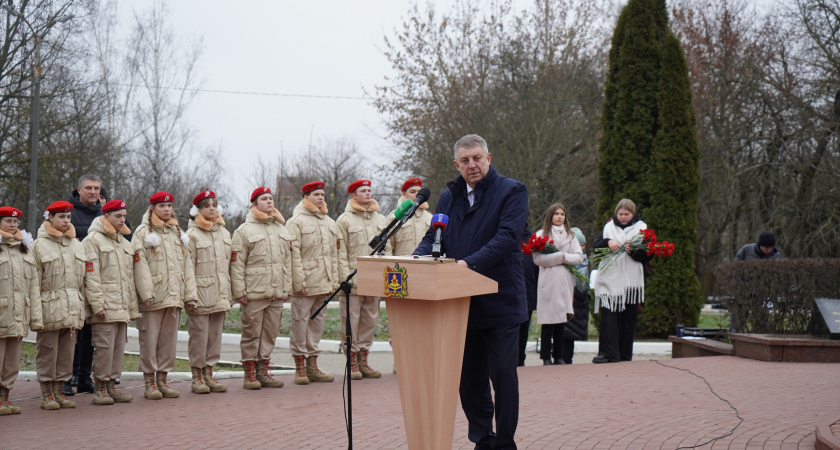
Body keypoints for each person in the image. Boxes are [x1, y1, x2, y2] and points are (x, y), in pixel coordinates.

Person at [414, 134, 529, 450]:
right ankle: (483, 438)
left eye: (477, 158)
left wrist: (467, 264)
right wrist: (414, 259)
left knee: (503, 376)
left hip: (501, 301)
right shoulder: (449, 197)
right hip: (461, 303)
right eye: (465, 161)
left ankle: (505, 443)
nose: (472, 165)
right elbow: (433, 238)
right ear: (456, 165)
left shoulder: (512, 191)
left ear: (489, 158)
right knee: (469, 379)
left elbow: (506, 238)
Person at [133, 191, 198, 399]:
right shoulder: (142, 232)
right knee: (149, 341)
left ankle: (163, 380)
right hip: (152, 298)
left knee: (168, 342)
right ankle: (149, 383)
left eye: (170, 206)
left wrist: (189, 295)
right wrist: (146, 294)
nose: (167, 210)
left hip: (173, 297)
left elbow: (187, 265)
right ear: (153, 208)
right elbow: (139, 265)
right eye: (162, 206)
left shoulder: (176, 232)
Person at [230, 187, 292, 390]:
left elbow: (288, 261)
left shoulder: (281, 229)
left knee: (269, 334)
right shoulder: (244, 231)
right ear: (254, 204)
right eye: (264, 199)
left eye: (271, 198)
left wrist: (287, 288)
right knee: (251, 333)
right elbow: (237, 264)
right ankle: (249, 374)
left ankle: (263, 370)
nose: (269, 202)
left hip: (276, 292)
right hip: (255, 292)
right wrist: (239, 292)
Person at [82, 199, 140, 405]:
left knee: (117, 350)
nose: (122, 219)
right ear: (105, 216)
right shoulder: (92, 241)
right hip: (105, 307)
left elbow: (129, 279)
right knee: (104, 349)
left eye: (124, 216)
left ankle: (111, 387)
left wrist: (132, 308)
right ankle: (99, 389)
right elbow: (91, 277)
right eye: (118, 216)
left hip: (121, 307)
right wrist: (97, 305)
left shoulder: (125, 243)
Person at [32, 201, 88, 410]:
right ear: (50, 219)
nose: (66, 221)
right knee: (48, 351)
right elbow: (34, 283)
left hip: (71, 307)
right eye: (61, 217)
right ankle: (47, 393)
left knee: (66, 353)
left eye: (68, 217)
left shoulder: (76, 245)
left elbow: (82, 282)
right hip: (49, 307)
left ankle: (59, 390)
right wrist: (35, 314)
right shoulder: (39, 245)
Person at [286, 181, 339, 385]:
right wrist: (298, 282)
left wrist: (333, 281)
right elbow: (293, 255)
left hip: (323, 282)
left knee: (317, 325)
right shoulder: (296, 222)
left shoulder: (329, 222)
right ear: (305, 197)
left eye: (323, 194)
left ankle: (312, 365)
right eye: (316, 194)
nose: (320, 198)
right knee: (300, 324)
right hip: (305, 283)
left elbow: (333, 255)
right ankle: (300, 365)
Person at [336, 179, 388, 380]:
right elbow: (340, 252)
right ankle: (351, 361)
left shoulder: (380, 219)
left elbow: (387, 248)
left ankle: (363, 359)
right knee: (351, 321)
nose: (368, 193)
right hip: (353, 278)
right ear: (353, 195)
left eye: (369, 190)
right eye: (363, 191)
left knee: (370, 321)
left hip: (374, 277)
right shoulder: (345, 220)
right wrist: (344, 278)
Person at [592, 198, 652, 363]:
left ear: (633, 214)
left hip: (630, 284)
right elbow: (596, 247)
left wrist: (632, 250)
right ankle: (607, 353)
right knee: (609, 317)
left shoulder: (642, 229)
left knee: (627, 319)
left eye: (627, 214)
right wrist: (608, 242)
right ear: (616, 213)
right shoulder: (608, 227)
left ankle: (625, 354)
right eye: (620, 214)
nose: (623, 217)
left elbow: (648, 254)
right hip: (610, 281)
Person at [185, 190, 232, 394]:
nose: (212, 208)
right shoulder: (192, 235)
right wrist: (190, 296)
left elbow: (228, 266)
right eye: (206, 205)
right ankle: (197, 377)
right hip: (201, 296)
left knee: (214, 337)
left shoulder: (224, 232)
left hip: (220, 294)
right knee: (199, 337)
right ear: (198, 210)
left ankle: (209, 374)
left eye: (214, 204)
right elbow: (188, 268)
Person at [0, 206, 42, 415]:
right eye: (8, 221)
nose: (13, 225)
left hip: (18, 315)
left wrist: (35, 316)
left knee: (12, 364)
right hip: (1, 314)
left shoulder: (24, 248)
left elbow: (33, 285)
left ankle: (4, 398)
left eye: (16, 222)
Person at [533, 204, 584, 365]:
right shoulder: (541, 235)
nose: (559, 217)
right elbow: (537, 259)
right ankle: (546, 357)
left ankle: (559, 356)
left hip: (564, 282)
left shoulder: (571, 235)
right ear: (550, 216)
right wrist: (560, 257)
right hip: (548, 282)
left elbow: (579, 257)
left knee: (561, 321)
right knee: (548, 322)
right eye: (556, 214)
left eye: (562, 214)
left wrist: (562, 257)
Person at [67, 174, 103, 396]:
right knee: (72, 332)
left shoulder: (104, 214)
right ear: (78, 190)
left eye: (96, 188)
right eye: (88, 188)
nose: (93, 192)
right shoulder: (67, 213)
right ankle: (67, 374)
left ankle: (84, 377)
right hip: (73, 280)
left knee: (91, 333)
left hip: (97, 280)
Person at [560, 227, 590, 364]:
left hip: (579, 299)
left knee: (571, 333)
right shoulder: (564, 260)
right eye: (578, 244)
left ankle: (568, 358)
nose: (581, 248)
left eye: (583, 245)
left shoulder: (584, 261)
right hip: (566, 296)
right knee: (563, 331)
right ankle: (560, 357)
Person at [387, 177, 432, 256]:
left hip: (426, 265)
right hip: (401, 266)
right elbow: (387, 247)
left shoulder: (430, 217)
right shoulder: (395, 216)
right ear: (404, 193)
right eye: (412, 192)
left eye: (419, 192)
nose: (417, 195)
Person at [518, 225, 538, 367]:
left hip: (528, 289)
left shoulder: (532, 242)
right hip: (509, 290)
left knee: (524, 327)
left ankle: (520, 358)